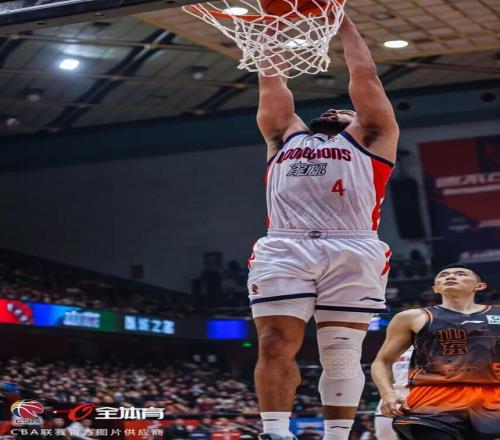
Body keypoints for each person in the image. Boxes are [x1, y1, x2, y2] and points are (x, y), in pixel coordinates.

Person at [247, 14, 399, 440]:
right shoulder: (284, 134)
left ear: (358, 118)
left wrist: (341, 20)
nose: (333, 110)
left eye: (344, 110)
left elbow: (365, 76)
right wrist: (273, 27)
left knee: (340, 353)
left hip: (353, 246)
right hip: (285, 244)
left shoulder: (373, 136)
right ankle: (275, 432)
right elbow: (271, 82)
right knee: (273, 342)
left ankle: (336, 435)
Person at [371, 263, 500, 440]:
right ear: (435, 288)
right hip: (432, 399)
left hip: (493, 397)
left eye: (461, 274)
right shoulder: (411, 317)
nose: (451, 276)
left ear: (480, 286)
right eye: (443, 275)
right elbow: (382, 362)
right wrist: (387, 393)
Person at [373, 346, 413, 440]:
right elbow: (379, 366)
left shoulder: (433, 344)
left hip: (421, 396)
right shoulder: (393, 345)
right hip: (393, 396)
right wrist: (386, 392)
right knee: (384, 436)